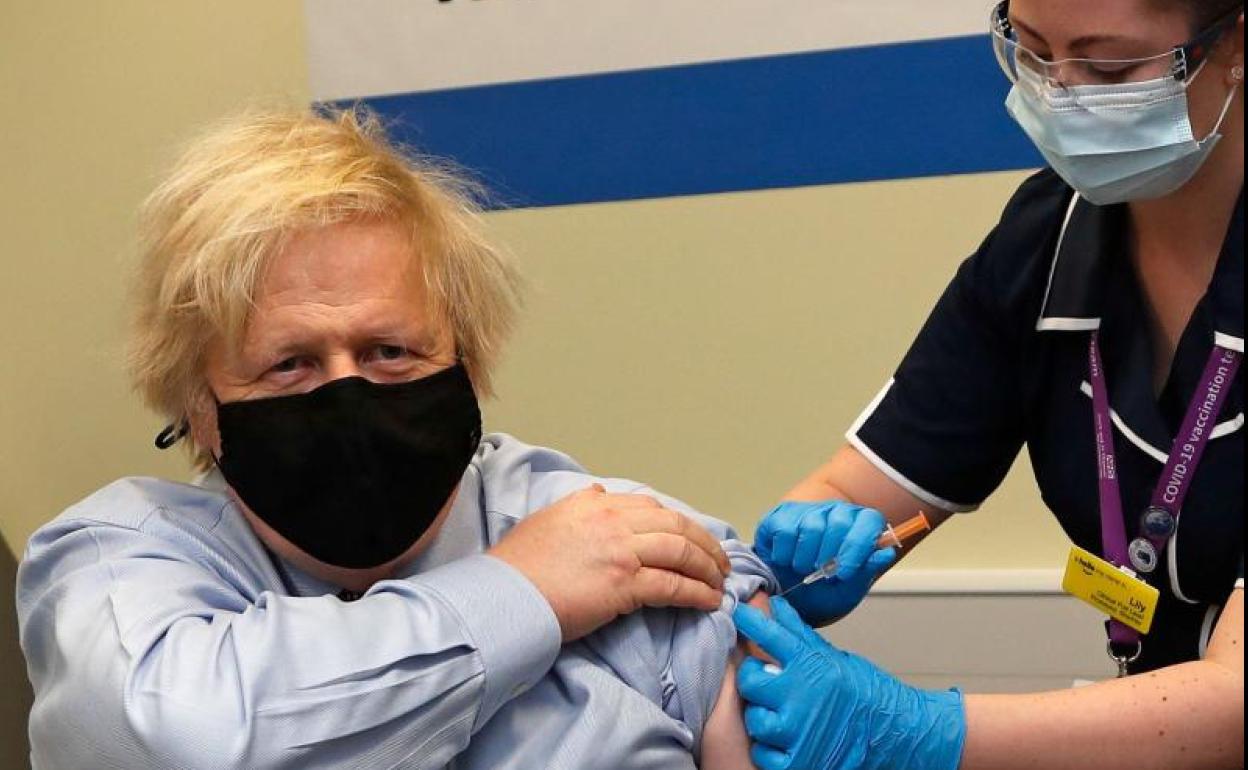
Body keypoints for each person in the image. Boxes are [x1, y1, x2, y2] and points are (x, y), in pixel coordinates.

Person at [15, 107, 775, 770]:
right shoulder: (119, 561)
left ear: (469, 362)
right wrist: (523, 592)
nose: (347, 396)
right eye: (289, 364)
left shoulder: (624, 539)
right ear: (199, 406)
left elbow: (748, 679)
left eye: (390, 351)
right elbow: (178, 742)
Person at [731, 1, 1245, 768]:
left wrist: (918, 728)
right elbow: (858, 488)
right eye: (1032, 52)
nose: (1061, 95)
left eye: (1108, 68)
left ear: (1235, 42)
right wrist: (785, 563)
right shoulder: (1046, 243)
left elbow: (1236, 698)